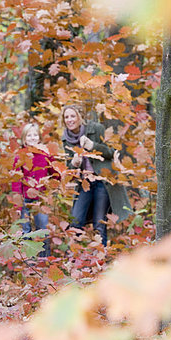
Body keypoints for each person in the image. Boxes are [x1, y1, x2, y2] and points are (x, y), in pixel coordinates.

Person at [61, 104, 131, 247]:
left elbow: (111, 152)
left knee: (99, 223)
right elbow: (68, 169)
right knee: (76, 221)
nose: (69, 120)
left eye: (72, 116)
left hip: (101, 181)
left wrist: (93, 146)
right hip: (84, 183)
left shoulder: (95, 129)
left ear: (80, 116)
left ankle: (101, 258)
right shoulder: (66, 139)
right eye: (66, 117)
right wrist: (74, 164)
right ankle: (74, 258)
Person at [12, 123, 59, 257]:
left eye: (35, 135)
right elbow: (16, 182)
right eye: (29, 135)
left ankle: (43, 260)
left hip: (41, 198)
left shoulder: (45, 154)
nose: (32, 138)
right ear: (24, 138)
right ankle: (28, 262)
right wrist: (17, 204)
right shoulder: (20, 156)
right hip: (25, 199)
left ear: (39, 137)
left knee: (43, 230)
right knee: (25, 231)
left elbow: (55, 173)